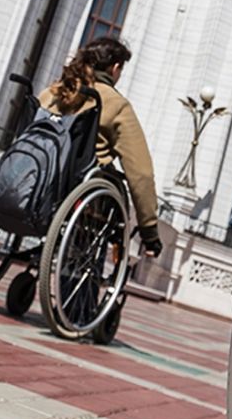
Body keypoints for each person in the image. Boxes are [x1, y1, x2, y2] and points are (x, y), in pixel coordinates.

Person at [42, 37, 164, 261]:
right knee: (111, 191)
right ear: (115, 68)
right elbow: (141, 173)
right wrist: (149, 231)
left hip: (38, 183)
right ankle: (80, 280)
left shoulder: (54, 91)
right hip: (80, 195)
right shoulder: (115, 104)